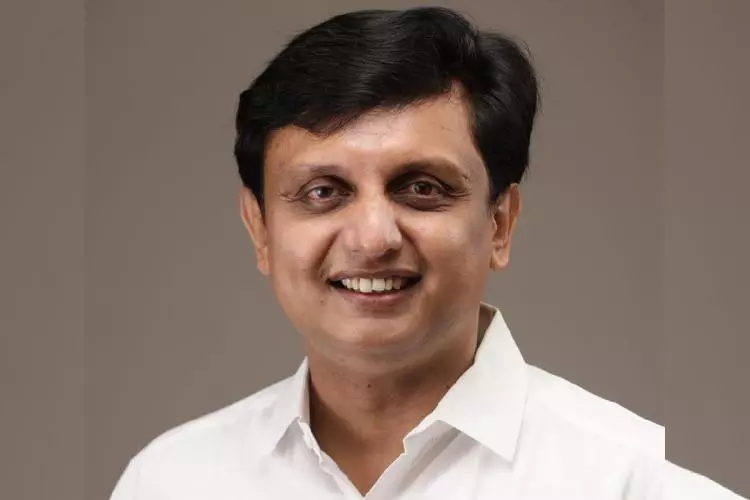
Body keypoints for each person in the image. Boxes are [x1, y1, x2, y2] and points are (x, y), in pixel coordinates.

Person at [110, 7, 745, 500]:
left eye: (422, 188)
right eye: (323, 192)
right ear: (260, 231)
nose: (372, 238)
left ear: (500, 223)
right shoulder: (170, 481)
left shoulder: (634, 482)